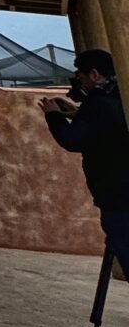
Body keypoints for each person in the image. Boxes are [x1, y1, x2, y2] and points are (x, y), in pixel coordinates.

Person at [40, 48, 129, 283]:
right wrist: (75, 113)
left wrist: (53, 116)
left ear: (95, 74)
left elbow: (72, 140)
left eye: (80, 75)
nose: (78, 80)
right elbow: (107, 125)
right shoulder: (119, 95)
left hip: (116, 193)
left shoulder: (97, 103)